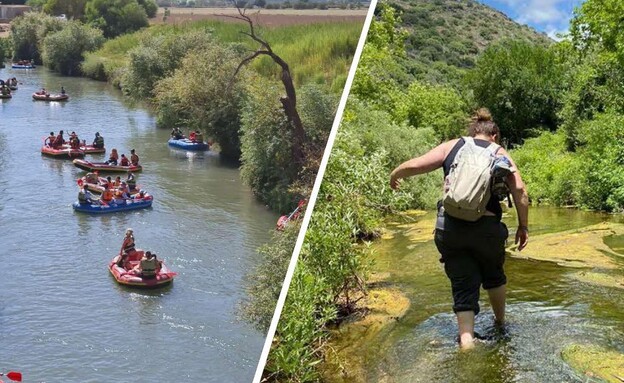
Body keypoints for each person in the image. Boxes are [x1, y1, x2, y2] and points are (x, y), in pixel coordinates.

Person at [389, 108, 529, 349]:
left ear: (473, 131)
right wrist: (523, 226)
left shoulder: (453, 146)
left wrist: (396, 173)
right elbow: (520, 191)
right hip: (486, 228)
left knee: (463, 285)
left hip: (450, 228)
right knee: (494, 275)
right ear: (494, 135)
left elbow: (417, 165)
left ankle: (466, 342)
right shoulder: (499, 152)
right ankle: (500, 323)